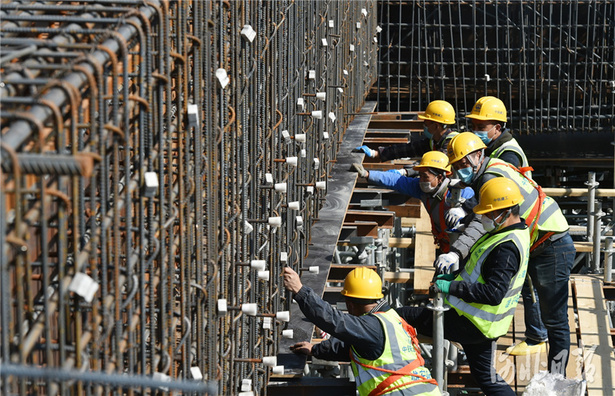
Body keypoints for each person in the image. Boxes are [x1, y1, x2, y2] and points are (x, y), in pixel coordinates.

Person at [445, 132, 576, 374]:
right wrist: (464, 205)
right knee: (530, 298)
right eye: (455, 166)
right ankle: (538, 342)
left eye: (463, 165)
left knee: (555, 320)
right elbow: (482, 201)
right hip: (538, 242)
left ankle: (557, 377)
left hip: (551, 243)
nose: (459, 171)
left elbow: (482, 219)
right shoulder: (491, 165)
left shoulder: (491, 175)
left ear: (477, 156)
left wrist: (455, 251)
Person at [397, 177, 530, 395]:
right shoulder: (512, 233)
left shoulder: (505, 248)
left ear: (505, 212)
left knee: (401, 315)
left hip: (472, 322)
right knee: (486, 378)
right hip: (483, 324)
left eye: (488, 212)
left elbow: (493, 293)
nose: (484, 217)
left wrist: (450, 288)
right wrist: (455, 278)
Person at [283, 266, 441, 395]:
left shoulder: (372, 327)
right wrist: (317, 349)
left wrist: (300, 291)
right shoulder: (391, 319)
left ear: (349, 303)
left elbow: (335, 321)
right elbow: (355, 347)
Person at [467, 96, 546, 355]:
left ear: (497, 127)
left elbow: (502, 194)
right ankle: (536, 332)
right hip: (515, 222)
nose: (476, 128)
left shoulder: (507, 152)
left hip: (521, 223)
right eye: (474, 123)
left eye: (481, 124)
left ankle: (537, 335)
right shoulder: (497, 147)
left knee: (527, 282)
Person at [350, 151, 476, 253]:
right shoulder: (422, 189)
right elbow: (397, 181)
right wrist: (367, 174)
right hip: (447, 247)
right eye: (420, 175)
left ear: (440, 177)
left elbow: (480, 211)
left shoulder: (462, 192)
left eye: (425, 176)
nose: (421, 180)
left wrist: (464, 210)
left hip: (467, 247)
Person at [354, 100, 458, 167]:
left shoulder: (452, 144)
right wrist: (376, 153)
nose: (424, 126)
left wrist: (406, 171)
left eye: (426, 122)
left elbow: (434, 164)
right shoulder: (434, 141)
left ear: (436, 126)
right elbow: (408, 149)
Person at [466, 96, 532, 177]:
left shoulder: (509, 153)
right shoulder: (487, 146)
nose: (475, 131)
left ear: (497, 128)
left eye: (481, 127)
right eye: (473, 126)